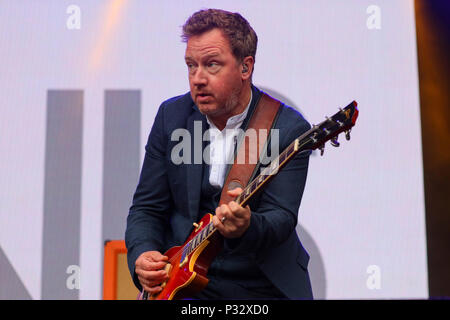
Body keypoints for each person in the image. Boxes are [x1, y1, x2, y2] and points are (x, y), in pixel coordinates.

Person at [125, 8, 313, 299]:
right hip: (184, 280)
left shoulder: (288, 128)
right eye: (191, 65)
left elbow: (281, 218)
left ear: (245, 67)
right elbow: (147, 208)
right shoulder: (171, 116)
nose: (197, 78)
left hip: (259, 283)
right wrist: (144, 253)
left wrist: (247, 225)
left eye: (211, 65)